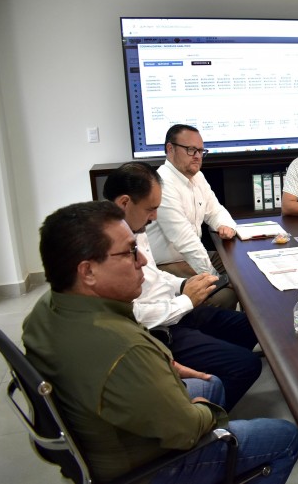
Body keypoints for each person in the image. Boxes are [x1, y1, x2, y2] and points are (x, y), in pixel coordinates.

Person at [22, 201, 298, 484]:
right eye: (130, 252)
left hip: (99, 428)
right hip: (143, 467)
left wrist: (162, 368)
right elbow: (186, 430)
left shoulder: (45, 309)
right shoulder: (125, 350)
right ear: (88, 272)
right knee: (285, 436)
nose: (143, 261)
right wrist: (205, 412)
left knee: (214, 384)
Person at [103, 162, 261, 410]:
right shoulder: (107, 249)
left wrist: (183, 284)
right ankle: (203, 418)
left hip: (173, 310)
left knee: (253, 326)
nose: (155, 217)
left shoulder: (135, 227)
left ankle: (211, 377)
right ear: (124, 203)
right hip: (158, 330)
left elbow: (154, 275)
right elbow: (134, 315)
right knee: (247, 365)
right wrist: (186, 301)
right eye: (151, 209)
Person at [146, 123, 239, 310]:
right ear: (170, 149)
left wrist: (225, 225)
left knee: (242, 270)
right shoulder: (162, 183)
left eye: (201, 151)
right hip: (169, 263)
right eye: (191, 150)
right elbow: (185, 240)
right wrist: (215, 278)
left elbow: (215, 210)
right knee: (227, 294)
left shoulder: (198, 177)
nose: (197, 156)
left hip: (192, 256)